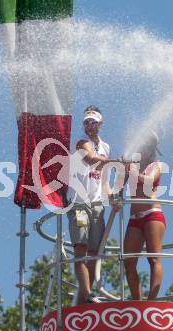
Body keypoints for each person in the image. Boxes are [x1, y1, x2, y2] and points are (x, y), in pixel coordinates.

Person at [67, 105, 113, 305]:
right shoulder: (80, 142)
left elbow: (103, 179)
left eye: (93, 122)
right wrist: (116, 162)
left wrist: (111, 198)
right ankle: (85, 293)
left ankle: (87, 294)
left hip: (96, 204)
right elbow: (90, 159)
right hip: (79, 202)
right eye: (86, 122)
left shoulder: (105, 147)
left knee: (95, 251)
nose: (89, 125)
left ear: (100, 124)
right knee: (80, 248)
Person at [123, 132, 166, 300]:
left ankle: (151, 301)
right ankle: (137, 301)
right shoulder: (132, 165)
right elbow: (119, 186)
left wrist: (131, 170)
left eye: (148, 146)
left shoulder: (157, 165)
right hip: (134, 217)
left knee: (154, 259)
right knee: (129, 262)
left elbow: (148, 181)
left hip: (152, 214)